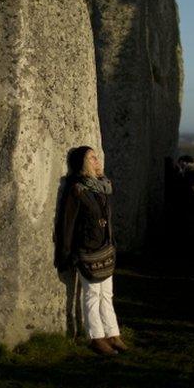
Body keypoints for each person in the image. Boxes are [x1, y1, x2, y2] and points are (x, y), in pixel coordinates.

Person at [57, 146, 127, 356]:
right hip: (87, 249)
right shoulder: (77, 189)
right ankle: (96, 337)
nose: (97, 161)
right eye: (92, 158)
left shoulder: (101, 186)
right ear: (83, 163)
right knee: (92, 294)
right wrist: (66, 253)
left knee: (107, 293)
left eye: (97, 157)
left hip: (104, 248)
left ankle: (112, 333)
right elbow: (67, 223)